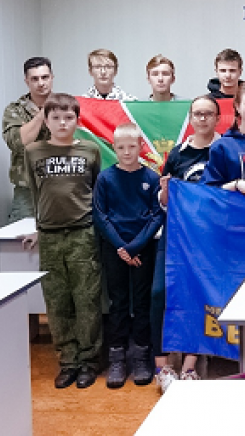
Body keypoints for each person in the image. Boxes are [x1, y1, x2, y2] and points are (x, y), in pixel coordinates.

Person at [23, 93, 102, 389]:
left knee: (87, 300)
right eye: (55, 117)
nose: (62, 123)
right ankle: (68, 361)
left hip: (83, 233)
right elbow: (36, 194)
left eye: (69, 117)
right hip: (50, 236)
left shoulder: (90, 150)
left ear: (78, 120)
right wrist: (38, 227)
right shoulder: (34, 152)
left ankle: (89, 361)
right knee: (57, 302)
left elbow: (96, 190)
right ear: (46, 121)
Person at [152, 95, 222, 392]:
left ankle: (190, 366)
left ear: (218, 117)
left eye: (208, 113)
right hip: (177, 234)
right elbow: (164, 201)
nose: (202, 118)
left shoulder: (224, 150)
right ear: (191, 118)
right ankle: (162, 366)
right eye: (197, 114)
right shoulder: (178, 153)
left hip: (209, 237)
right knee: (159, 293)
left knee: (198, 294)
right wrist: (165, 192)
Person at [93, 123, 164, 389]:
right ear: (114, 148)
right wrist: (121, 247)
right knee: (118, 302)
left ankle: (142, 356)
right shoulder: (105, 178)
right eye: (121, 147)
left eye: (131, 146)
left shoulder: (151, 178)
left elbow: (157, 215)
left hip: (143, 249)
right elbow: (100, 215)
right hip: (114, 249)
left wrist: (134, 247)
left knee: (143, 303)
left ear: (140, 147)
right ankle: (118, 357)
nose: (126, 152)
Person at [2, 57, 53, 222]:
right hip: (27, 191)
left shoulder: (67, 105)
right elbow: (19, 142)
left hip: (60, 187)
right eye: (35, 79)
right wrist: (43, 113)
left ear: (52, 77)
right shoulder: (15, 110)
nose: (41, 83)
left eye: (45, 77)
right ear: (26, 81)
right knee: (21, 236)